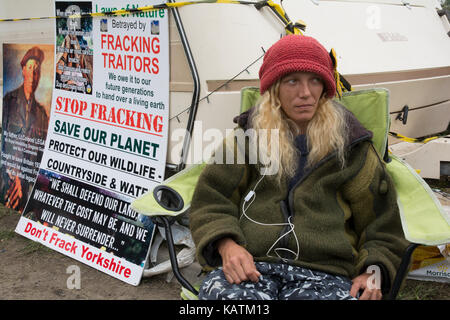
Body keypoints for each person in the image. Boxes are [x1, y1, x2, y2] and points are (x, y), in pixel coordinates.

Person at [188, 35, 409, 300]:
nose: (306, 93)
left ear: (324, 87)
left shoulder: (352, 146)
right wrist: (226, 245)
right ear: (274, 89)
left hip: (326, 274)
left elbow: (382, 225)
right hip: (252, 265)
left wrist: (374, 271)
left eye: (314, 80)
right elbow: (211, 200)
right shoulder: (247, 140)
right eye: (292, 81)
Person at [1, 46, 49, 212]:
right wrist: (14, 177)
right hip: (6, 180)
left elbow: (40, 155)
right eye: (29, 67)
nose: (33, 74)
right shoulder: (8, 100)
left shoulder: (42, 114)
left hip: (28, 187)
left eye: (37, 70)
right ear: (23, 70)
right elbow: (4, 143)